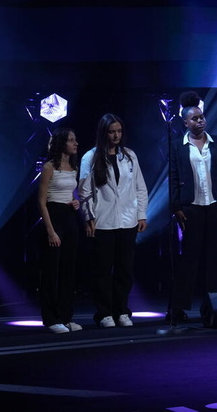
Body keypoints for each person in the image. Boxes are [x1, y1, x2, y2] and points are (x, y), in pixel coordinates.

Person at [167, 91, 217, 325]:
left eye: (202, 117)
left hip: (216, 205)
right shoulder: (178, 145)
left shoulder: (216, 142)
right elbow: (173, 176)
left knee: (213, 258)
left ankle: (213, 306)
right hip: (191, 207)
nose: (200, 121)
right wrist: (177, 206)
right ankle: (178, 308)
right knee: (189, 258)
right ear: (185, 122)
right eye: (195, 118)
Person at [79, 113, 148, 328]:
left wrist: (142, 214)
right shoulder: (90, 157)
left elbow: (140, 187)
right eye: (112, 131)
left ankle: (122, 311)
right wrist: (89, 216)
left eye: (119, 131)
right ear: (104, 133)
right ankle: (104, 313)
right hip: (103, 222)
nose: (116, 135)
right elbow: (84, 191)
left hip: (127, 220)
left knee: (124, 269)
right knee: (102, 270)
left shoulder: (129, 156)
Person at [37, 127, 82, 334]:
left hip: (69, 216)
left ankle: (65, 316)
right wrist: (50, 231)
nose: (76, 143)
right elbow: (41, 201)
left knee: (69, 269)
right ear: (62, 143)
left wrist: (75, 202)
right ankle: (51, 318)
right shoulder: (49, 167)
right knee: (51, 270)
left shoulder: (73, 167)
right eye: (72, 140)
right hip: (54, 216)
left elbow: (71, 193)